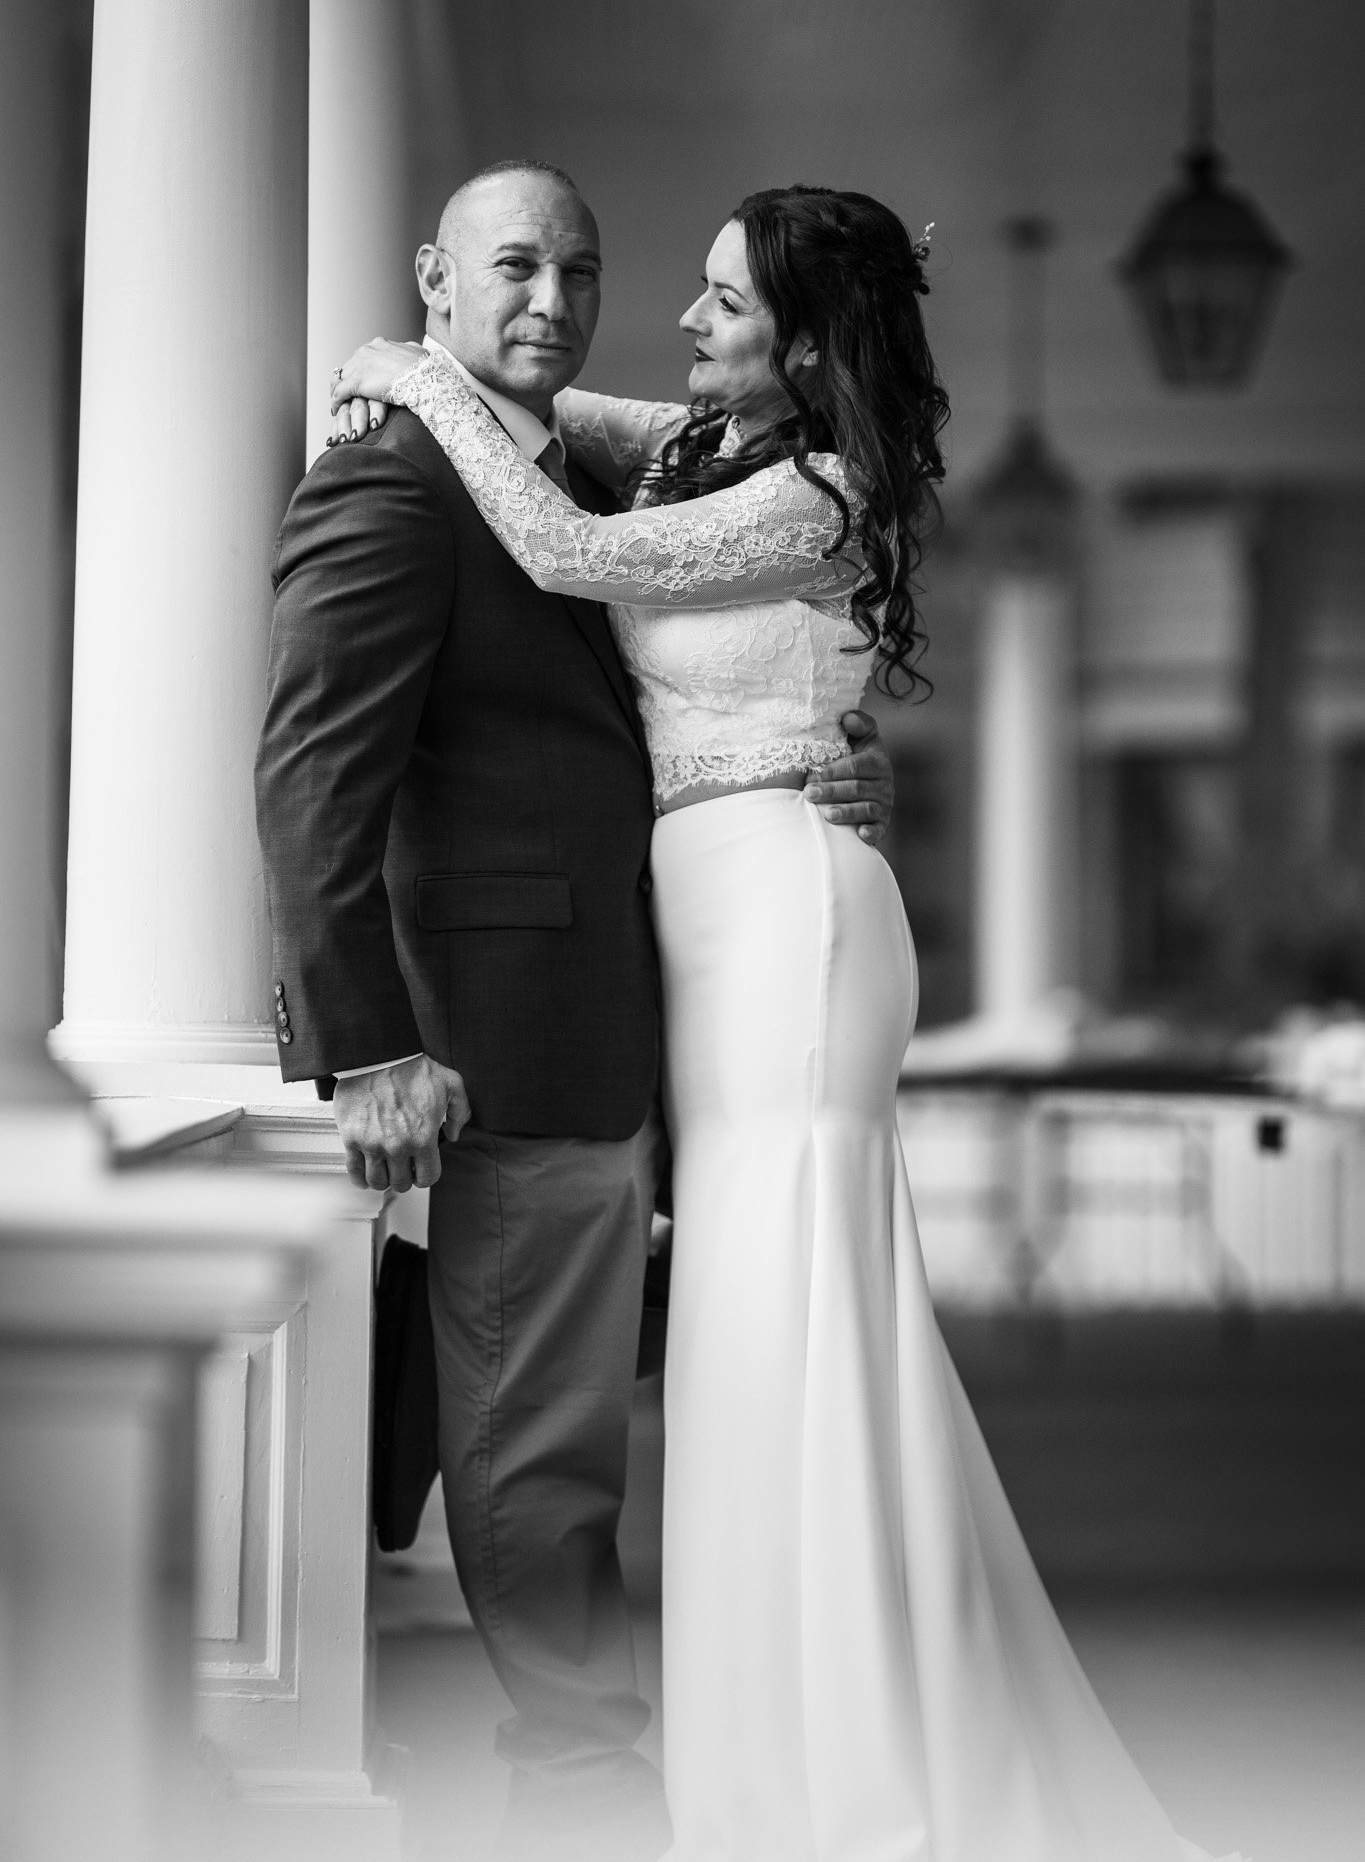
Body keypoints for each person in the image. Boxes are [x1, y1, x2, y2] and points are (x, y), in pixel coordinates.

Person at [330, 181, 1247, 1862]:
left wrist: (402, 362)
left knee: (798, 1305)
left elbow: (567, 551)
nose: (677, 326)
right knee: (753, 1318)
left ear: (804, 346)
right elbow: (553, 415)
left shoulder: (821, 489)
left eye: (720, 306)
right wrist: (441, 365)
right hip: (717, 911)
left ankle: (854, 1757)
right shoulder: (701, 442)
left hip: (787, 924)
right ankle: (782, 1748)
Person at [253, 159, 895, 1862]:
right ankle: (586, 1807)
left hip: (634, 1010)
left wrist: (799, 741)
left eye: (581, 270)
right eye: (513, 267)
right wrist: (371, 1040)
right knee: (539, 1460)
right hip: (505, 1035)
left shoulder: (590, 462)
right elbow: (316, 774)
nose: (553, 300)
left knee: (571, 1446)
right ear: (434, 280)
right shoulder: (391, 486)